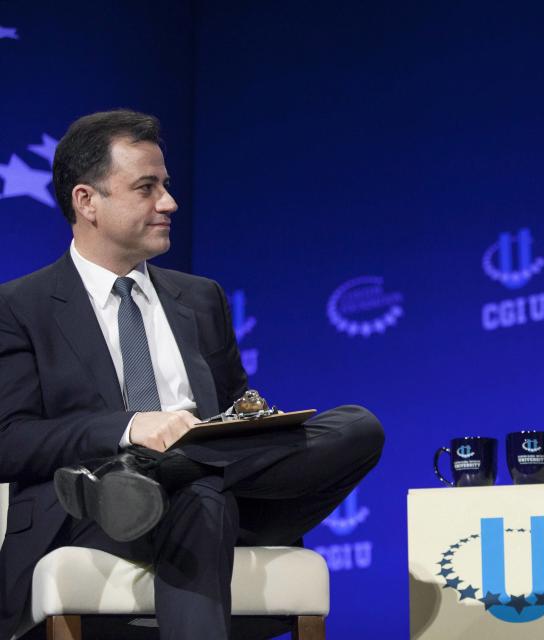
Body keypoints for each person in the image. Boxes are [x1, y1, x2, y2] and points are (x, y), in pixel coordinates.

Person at [0, 110, 384, 640]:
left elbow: (233, 410)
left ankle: (166, 472)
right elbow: (9, 441)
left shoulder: (201, 298)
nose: (169, 202)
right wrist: (129, 428)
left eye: (167, 185)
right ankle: (150, 476)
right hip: (96, 518)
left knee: (357, 426)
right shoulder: (21, 306)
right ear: (87, 201)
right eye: (146, 187)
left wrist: (249, 426)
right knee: (202, 497)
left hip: (212, 497)